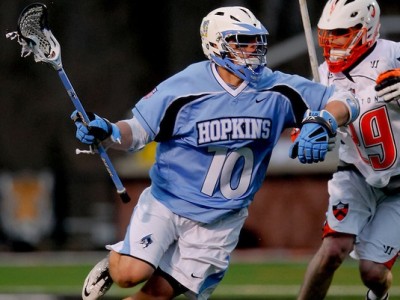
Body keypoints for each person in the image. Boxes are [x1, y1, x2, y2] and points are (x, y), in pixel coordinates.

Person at [74, 6, 358, 300]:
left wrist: (322, 121)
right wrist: (108, 132)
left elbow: (345, 100)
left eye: (256, 41)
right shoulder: (185, 87)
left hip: (221, 221)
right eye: (241, 41)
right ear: (215, 43)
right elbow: (137, 130)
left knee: (155, 296)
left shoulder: (277, 88)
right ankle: (115, 263)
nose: (253, 49)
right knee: (128, 275)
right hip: (168, 203)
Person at [296, 0, 400, 299]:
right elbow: (328, 114)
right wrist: (309, 127)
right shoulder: (325, 74)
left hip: (399, 180)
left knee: (373, 273)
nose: (331, 42)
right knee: (332, 250)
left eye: (340, 32)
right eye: (326, 33)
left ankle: (378, 293)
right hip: (356, 172)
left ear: (366, 28)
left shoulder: (392, 54)